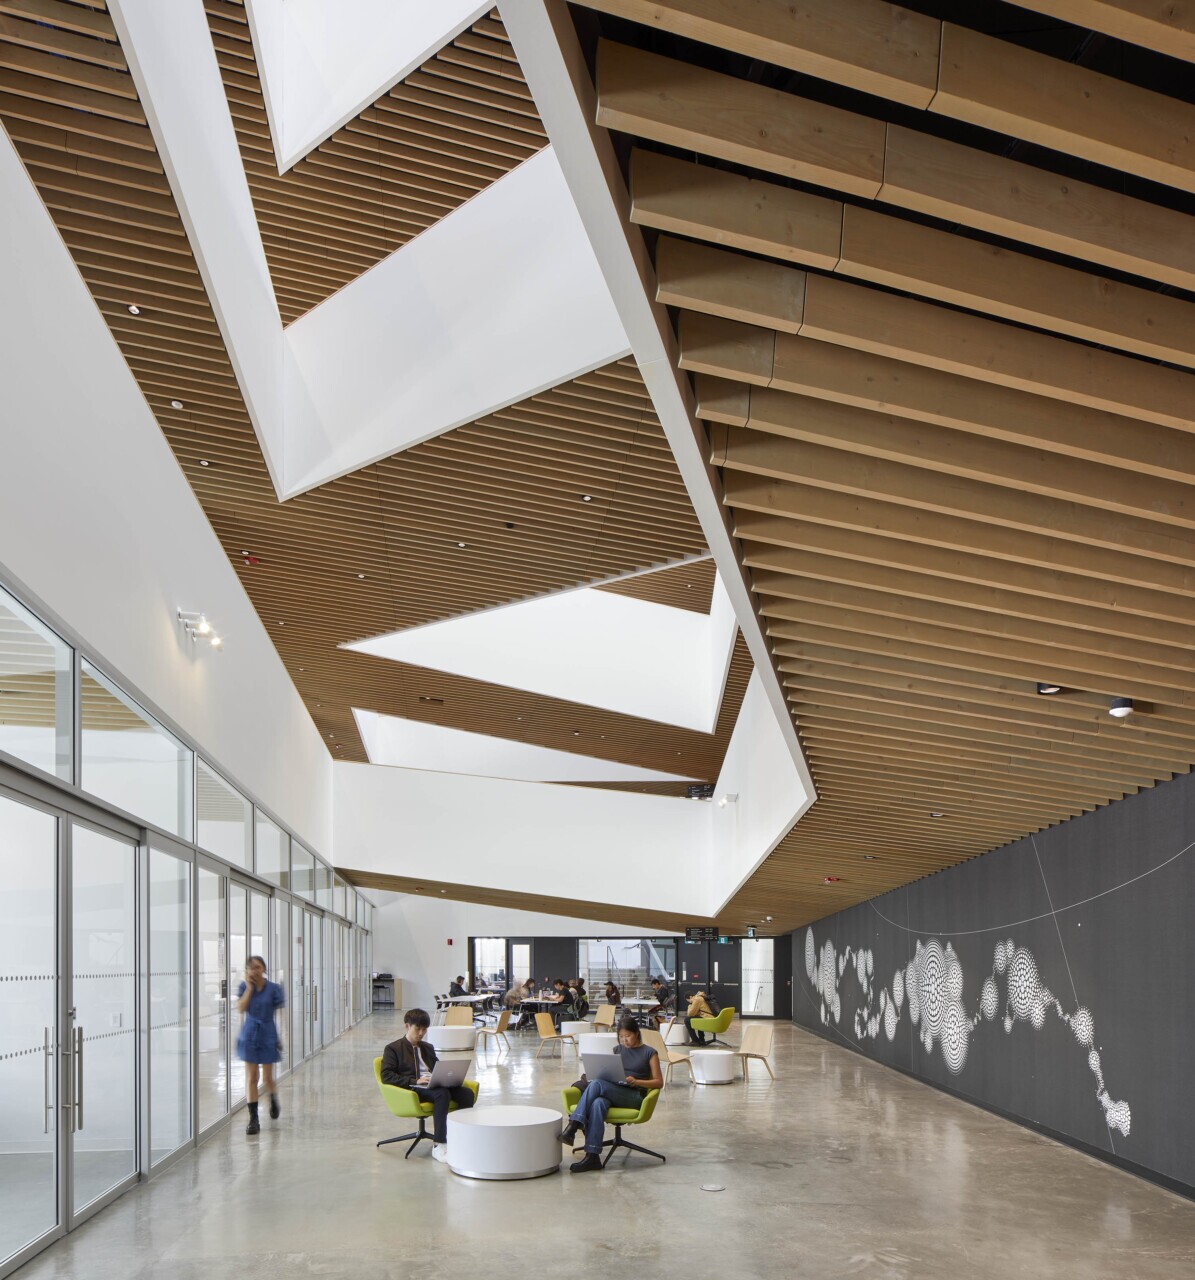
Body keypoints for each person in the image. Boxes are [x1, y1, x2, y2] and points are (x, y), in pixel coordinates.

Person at [560, 1015, 662, 1173]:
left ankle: (574, 1125)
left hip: (634, 1096)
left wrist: (637, 1081)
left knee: (597, 1084)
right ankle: (592, 1157)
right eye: (621, 1036)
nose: (624, 1040)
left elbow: (658, 1082)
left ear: (637, 1033)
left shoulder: (649, 1052)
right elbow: (613, 1072)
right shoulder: (617, 1050)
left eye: (628, 1036)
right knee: (598, 1103)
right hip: (615, 1090)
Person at [381, 1008, 474, 1163]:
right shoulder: (393, 1049)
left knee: (467, 1094)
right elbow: (386, 1076)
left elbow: (437, 1068)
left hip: (434, 1083)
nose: (421, 1033)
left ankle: (460, 1137)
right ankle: (439, 1144)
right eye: (417, 1028)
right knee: (442, 1094)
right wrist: (414, 1081)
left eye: (424, 1029)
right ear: (407, 1026)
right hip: (414, 1088)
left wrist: (446, 1077)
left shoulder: (428, 1047)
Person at [236, 954, 285, 1135]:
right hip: (249, 1034)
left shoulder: (273, 989)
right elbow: (241, 1008)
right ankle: (253, 1119)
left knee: (267, 1078)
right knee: (251, 1078)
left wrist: (282, 1036)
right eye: (251, 967)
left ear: (263, 969)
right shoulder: (244, 987)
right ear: (247, 970)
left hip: (267, 1033)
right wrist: (249, 989)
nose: (255, 970)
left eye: (258, 967)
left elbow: (281, 1013)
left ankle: (273, 1097)